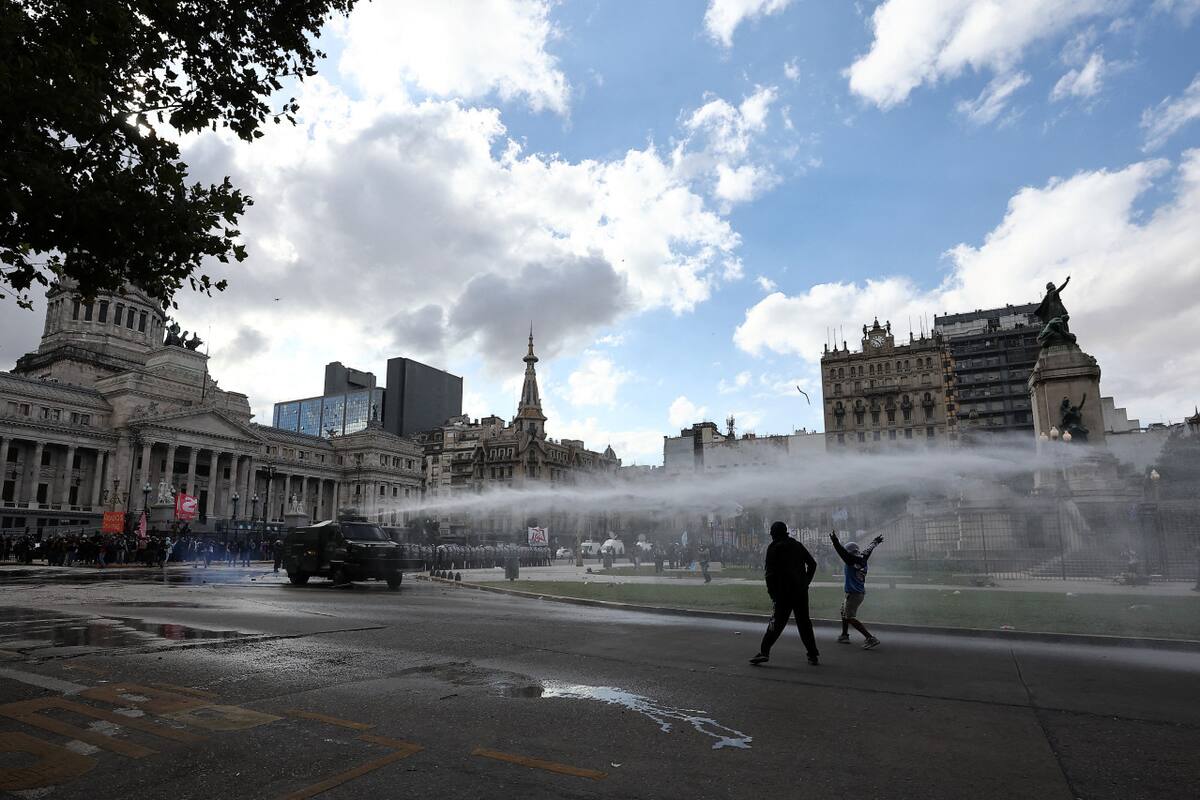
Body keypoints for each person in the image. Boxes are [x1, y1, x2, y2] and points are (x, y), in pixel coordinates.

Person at [750, 521, 820, 667]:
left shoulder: (774, 547)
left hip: (782, 593)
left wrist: (772, 593)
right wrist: (805, 582)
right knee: (804, 623)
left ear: (774, 533)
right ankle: (812, 655)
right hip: (800, 592)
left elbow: (769, 574)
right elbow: (812, 564)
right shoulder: (797, 545)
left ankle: (764, 652)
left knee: (776, 623)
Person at [831, 531, 883, 649]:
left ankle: (870, 638)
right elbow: (868, 550)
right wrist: (875, 542)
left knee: (849, 617)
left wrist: (835, 542)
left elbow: (842, 552)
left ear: (849, 552)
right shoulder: (862, 558)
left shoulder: (850, 560)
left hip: (853, 594)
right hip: (857, 593)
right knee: (843, 611)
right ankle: (844, 635)